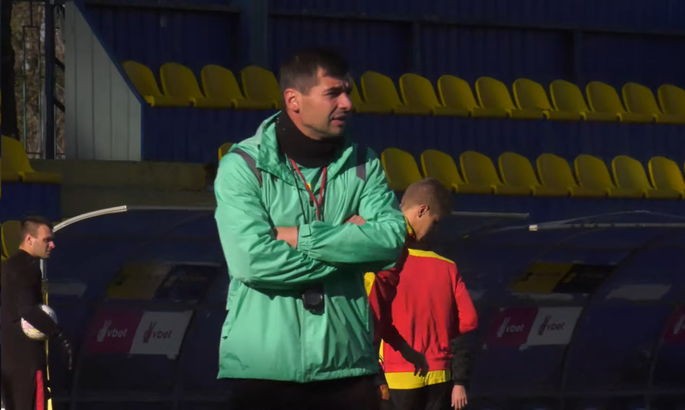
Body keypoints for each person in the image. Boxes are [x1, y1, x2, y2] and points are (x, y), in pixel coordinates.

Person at [213, 47, 406, 410]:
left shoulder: (363, 163)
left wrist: (300, 236)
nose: (347, 103)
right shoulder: (242, 166)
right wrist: (349, 250)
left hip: (347, 366)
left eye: (348, 92)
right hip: (264, 371)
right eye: (333, 93)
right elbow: (250, 262)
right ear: (294, 100)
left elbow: (390, 242)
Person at [367, 178, 479, 410]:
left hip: (393, 372)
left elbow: (375, 316)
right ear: (422, 210)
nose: (433, 230)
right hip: (437, 371)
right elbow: (468, 321)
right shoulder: (445, 266)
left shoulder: (381, 249)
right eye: (434, 222)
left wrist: (404, 350)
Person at [1, 216, 72, 410]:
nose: (52, 245)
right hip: (27, 361)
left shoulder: (9, 266)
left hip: (9, 360)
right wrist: (58, 334)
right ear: (29, 239)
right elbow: (28, 309)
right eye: (46, 240)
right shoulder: (27, 269)